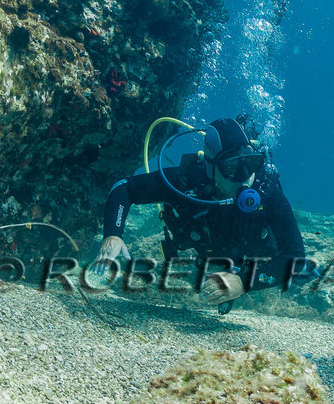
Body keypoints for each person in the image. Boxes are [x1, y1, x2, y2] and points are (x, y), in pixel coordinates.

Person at [95, 115, 311, 306]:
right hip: (207, 252)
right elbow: (124, 188)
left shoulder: (266, 190)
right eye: (232, 167)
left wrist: (244, 281)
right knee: (201, 282)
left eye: (251, 163)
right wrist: (113, 234)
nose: (245, 177)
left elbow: (295, 257)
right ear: (209, 166)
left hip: (257, 256)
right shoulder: (186, 182)